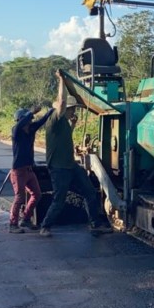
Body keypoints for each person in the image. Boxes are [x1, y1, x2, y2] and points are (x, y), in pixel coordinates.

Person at [38, 70, 113, 237]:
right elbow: (62, 100)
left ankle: (94, 224)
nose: (74, 112)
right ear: (65, 109)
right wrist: (62, 80)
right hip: (59, 168)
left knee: (90, 192)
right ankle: (45, 226)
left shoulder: (64, 123)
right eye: (72, 109)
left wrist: (72, 126)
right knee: (59, 199)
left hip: (71, 166)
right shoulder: (55, 120)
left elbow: (63, 140)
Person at [8, 106, 52, 233]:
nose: (30, 123)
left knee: (37, 194)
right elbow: (20, 125)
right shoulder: (16, 132)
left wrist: (50, 111)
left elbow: (42, 121)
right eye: (28, 121)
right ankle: (13, 224)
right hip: (18, 171)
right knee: (19, 197)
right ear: (21, 120)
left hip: (29, 170)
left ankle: (26, 219)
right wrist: (31, 112)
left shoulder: (31, 131)